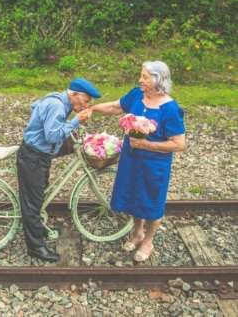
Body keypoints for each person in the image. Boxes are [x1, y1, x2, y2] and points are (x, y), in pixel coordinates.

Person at [91, 61, 186, 262]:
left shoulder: (170, 109)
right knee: (133, 195)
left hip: (154, 164)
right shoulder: (136, 95)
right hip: (131, 160)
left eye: (145, 77)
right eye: (141, 76)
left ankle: (148, 240)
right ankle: (137, 232)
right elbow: (116, 106)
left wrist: (147, 145)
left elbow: (179, 144)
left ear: (158, 80)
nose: (140, 80)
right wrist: (92, 109)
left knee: (151, 202)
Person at [17, 78, 101, 262]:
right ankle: (36, 247)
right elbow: (53, 135)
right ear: (74, 94)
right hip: (34, 157)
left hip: (39, 155)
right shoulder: (57, 105)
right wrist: (76, 121)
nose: (87, 105)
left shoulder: (59, 101)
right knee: (32, 203)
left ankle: (38, 229)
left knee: (39, 195)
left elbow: (35, 106)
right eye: (86, 100)